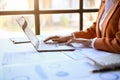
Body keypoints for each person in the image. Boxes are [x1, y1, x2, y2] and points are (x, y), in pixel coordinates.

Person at [44, 0, 120, 53]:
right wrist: (70, 36)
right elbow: (96, 29)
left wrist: (90, 42)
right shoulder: (105, 1)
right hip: (104, 54)